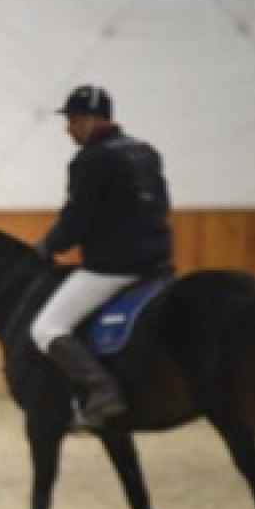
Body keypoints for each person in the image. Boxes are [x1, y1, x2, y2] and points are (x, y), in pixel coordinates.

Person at [32, 84, 174, 427]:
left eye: (73, 120)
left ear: (91, 120)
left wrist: (47, 247)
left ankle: (103, 389)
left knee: (46, 327)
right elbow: (163, 205)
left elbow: (76, 221)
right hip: (157, 266)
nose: (69, 128)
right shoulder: (146, 152)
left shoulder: (90, 160)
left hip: (113, 269)